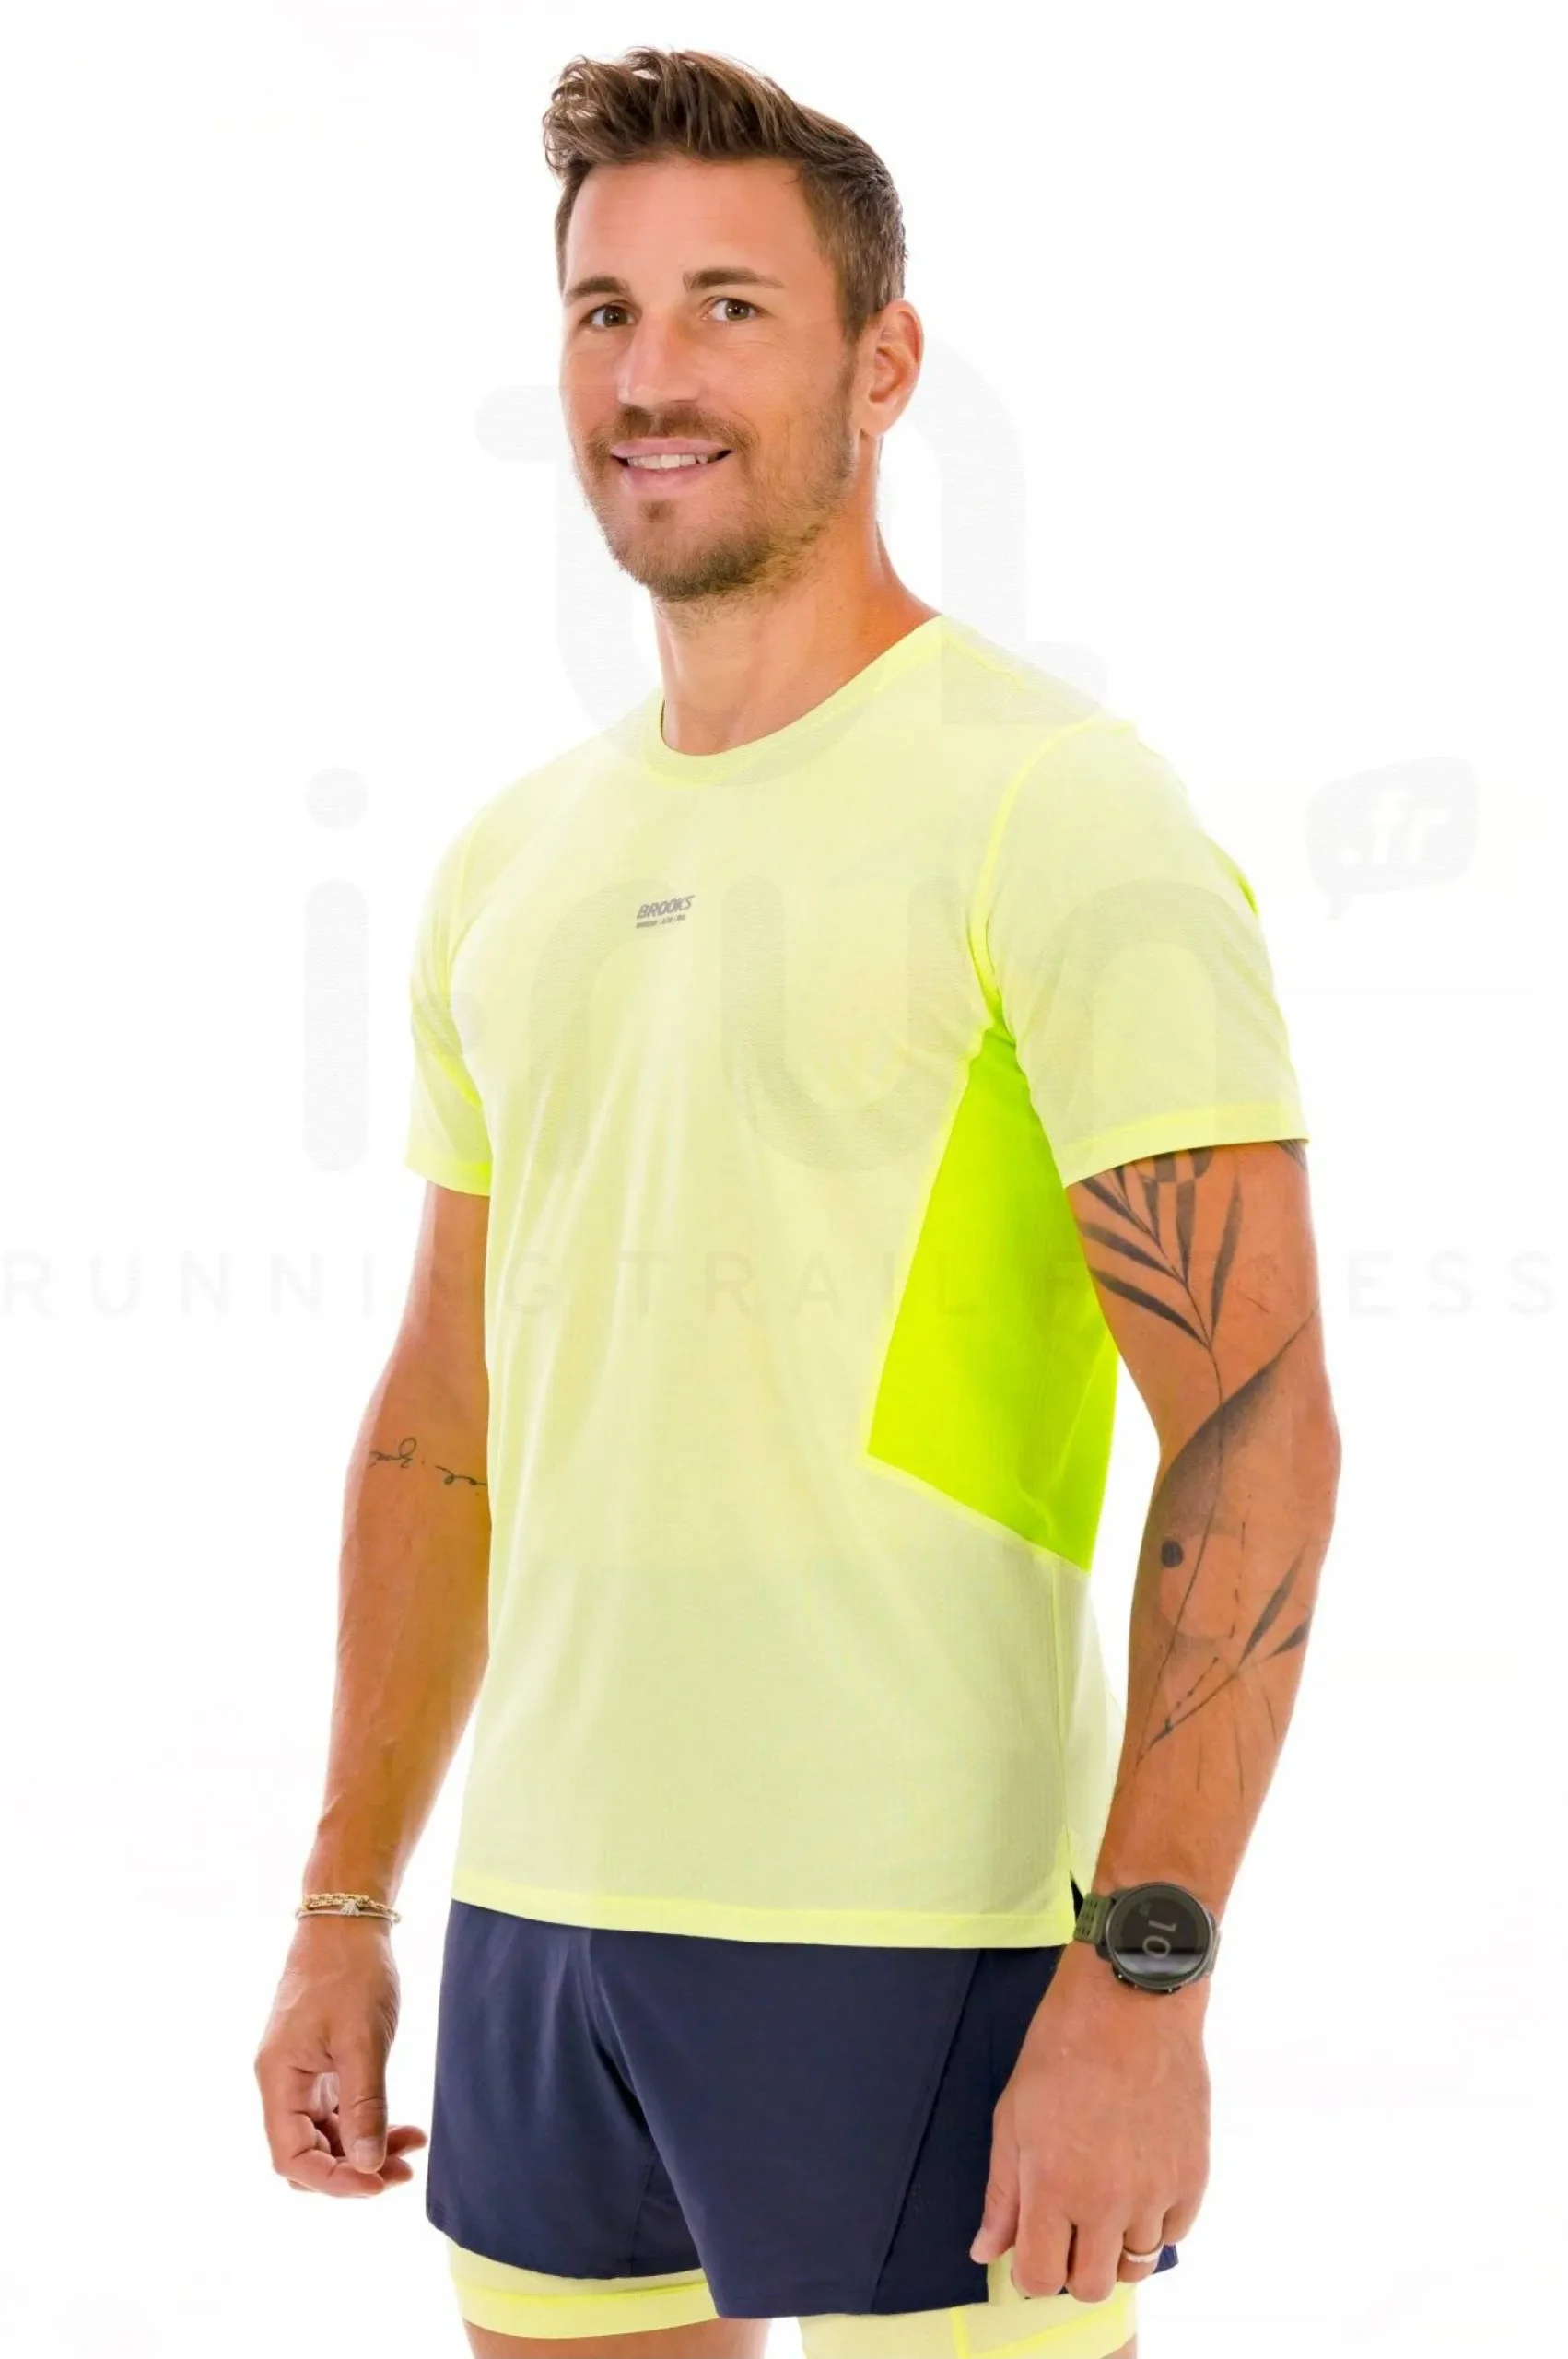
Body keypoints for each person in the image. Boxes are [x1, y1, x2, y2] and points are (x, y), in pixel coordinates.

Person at [253, 44, 1340, 2359]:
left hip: (917, 1926)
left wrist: (1142, 1974)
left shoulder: (1055, 807)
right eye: (605, 310)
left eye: (727, 307)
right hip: (539, 1919)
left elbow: (1254, 1424)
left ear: (882, 360)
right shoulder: (507, 861)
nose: (650, 376)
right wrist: (346, 1901)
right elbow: (442, 1417)